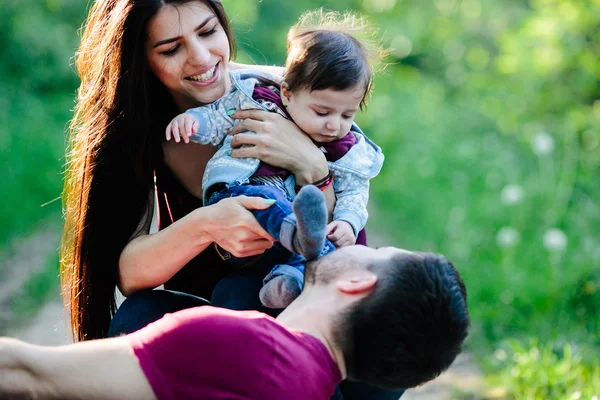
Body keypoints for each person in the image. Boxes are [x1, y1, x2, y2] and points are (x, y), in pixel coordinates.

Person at [59, 0, 396, 398]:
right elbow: (131, 276)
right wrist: (209, 222)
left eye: (207, 32)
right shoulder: (137, 134)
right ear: (138, 59)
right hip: (224, 311)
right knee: (146, 317)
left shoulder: (282, 94)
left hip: (310, 296)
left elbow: (340, 233)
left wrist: (312, 170)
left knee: (387, 349)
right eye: (171, 49)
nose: (201, 58)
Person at [1, 245, 470, 400]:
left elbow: (30, 375)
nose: (357, 244)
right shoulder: (306, 384)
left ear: (356, 283)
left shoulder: (248, 346)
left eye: (375, 251)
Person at [164, 10, 385, 309]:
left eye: (348, 114)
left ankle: (288, 280)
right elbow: (220, 117)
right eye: (322, 113)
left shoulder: (347, 149)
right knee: (262, 199)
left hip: (292, 246)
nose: (334, 124)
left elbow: (355, 193)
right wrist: (194, 122)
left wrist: (348, 221)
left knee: (321, 247)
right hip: (248, 201)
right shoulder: (256, 100)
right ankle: (291, 230)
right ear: (287, 93)